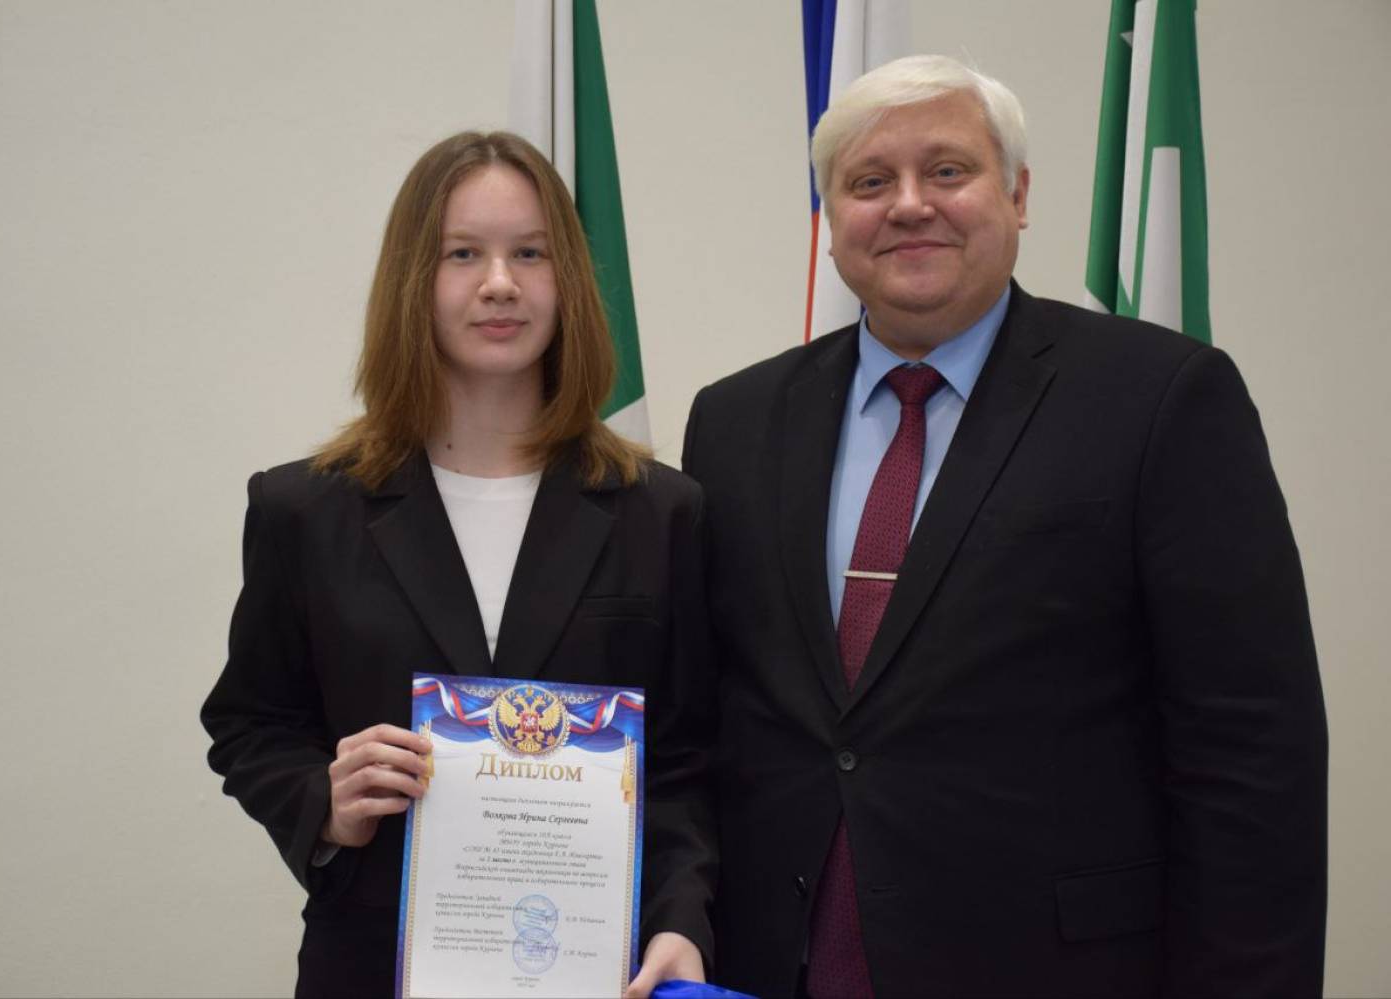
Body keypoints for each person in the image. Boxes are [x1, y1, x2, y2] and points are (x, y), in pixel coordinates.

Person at [682, 55, 1326, 998]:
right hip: (779, 964)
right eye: (870, 181)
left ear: (1018, 196)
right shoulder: (734, 421)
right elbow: (714, 720)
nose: (910, 205)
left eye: (947, 170)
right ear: (829, 218)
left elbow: (1250, 752)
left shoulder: (1161, 398)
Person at [202, 131, 713, 998]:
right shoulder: (305, 509)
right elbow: (250, 724)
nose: (500, 282)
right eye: (463, 254)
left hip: (602, 968)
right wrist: (324, 802)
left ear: (569, 280)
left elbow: (691, 759)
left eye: (531, 253)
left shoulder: (660, 511)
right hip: (370, 963)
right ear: (415, 280)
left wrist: (681, 918)